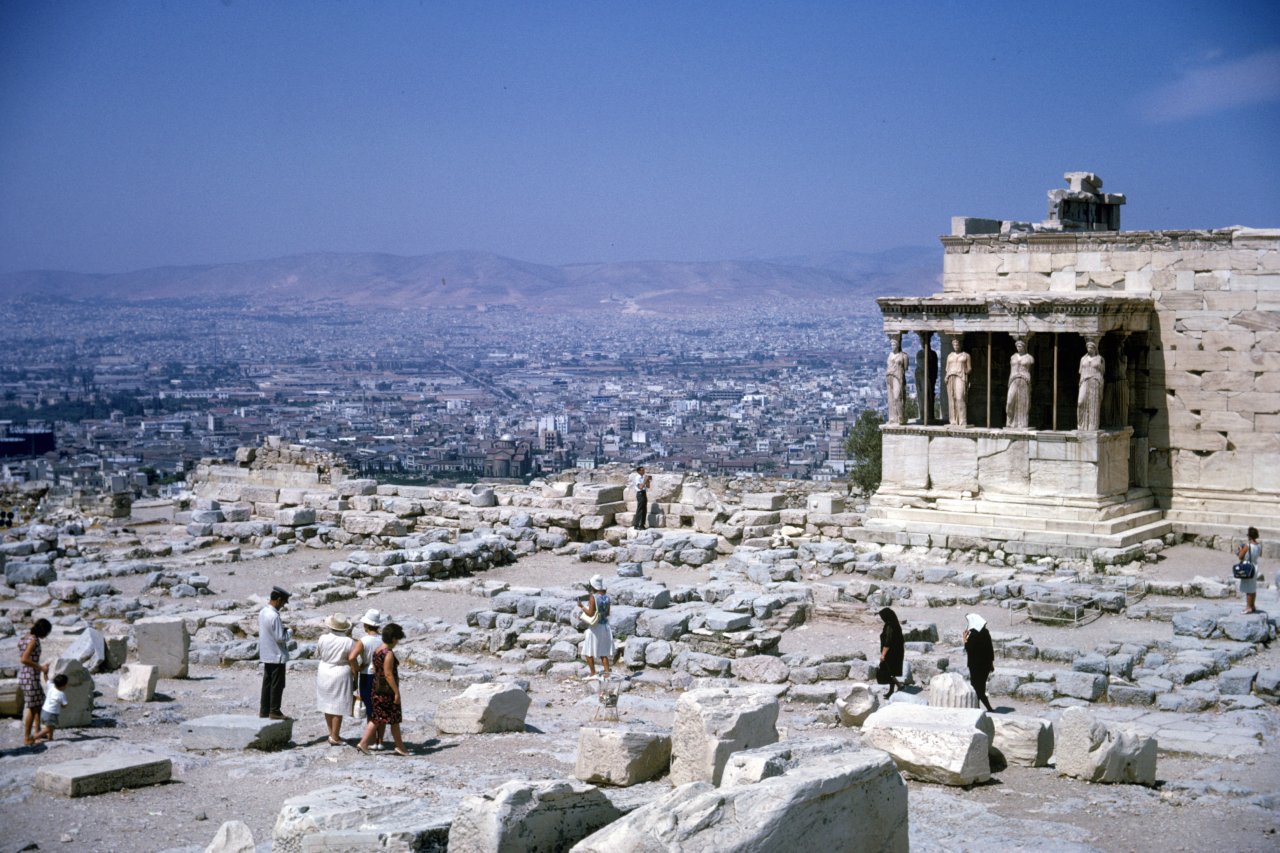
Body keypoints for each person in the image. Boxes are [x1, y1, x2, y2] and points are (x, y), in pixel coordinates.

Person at [357, 622, 408, 756]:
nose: (397, 642)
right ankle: (398, 747)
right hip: (387, 692)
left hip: (377, 688)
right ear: (393, 639)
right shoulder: (388, 653)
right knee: (392, 719)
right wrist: (396, 692)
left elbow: (375, 668)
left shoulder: (377, 650)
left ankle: (399, 746)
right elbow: (388, 674)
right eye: (397, 639)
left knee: (378, 718)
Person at [315, 613, 360, 746]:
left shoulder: (323, 638)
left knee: (327, 703)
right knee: (338, 705)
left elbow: (318, 653)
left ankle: (332, 734)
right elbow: (352, 659)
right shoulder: (348, 641)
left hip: (324, 670)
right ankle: (335, 736)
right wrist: (356, 673)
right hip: (340, 671)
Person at [258, 586, 292, 720]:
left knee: (267, 683)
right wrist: (290, 631)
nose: (283, 605)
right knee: (277, 685)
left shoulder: (263, 612)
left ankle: (264, 709)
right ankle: (275, 710)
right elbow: (281, 637)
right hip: (277, 655)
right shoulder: (274, 616)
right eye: (283, 602)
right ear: (278, 600)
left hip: (267, 653)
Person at [356, 609, 387, 750]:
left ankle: (371, 739)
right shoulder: (383, 640)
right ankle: (380, 740)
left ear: (366, 625)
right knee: (381, 707)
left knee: (370, 708)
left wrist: (357, 667)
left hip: (366, 674)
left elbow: (351, 657)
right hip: (381, 675)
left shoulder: (363, 641)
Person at [19, 618, 52, 746]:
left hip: (25, 674)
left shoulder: (24, 637)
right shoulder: (34, 640)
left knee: (38, 704)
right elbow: (24, 659)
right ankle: (27, 738)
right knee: (33, 708)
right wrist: (41, 668)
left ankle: (37, 733)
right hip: (30, 676)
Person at [578, 574, 613, 677]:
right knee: (603, 652)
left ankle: (593, 672)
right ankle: (607, 673)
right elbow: (608, 613)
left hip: (595, 627)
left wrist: (582, 607)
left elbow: (590, 613)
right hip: (605, 626)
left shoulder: (593, 597)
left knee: (588, 650)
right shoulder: (607, 597)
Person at [963, 613, 996, 712]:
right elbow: (990, 650)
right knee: (980, 687)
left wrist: (964, 639)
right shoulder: (986, 632)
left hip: (975, 666)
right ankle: (977, 708)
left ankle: (988, 708)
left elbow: (969, 649)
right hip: (986, 665)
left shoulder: (973, 635)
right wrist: (991, 664)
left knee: (977, 688)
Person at [1006, 337, 1034, 429]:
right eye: (1017, 346)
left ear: (1024, 346)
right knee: (1010, 401)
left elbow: (1031, 371)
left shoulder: (1029, 358)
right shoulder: (1013, 357)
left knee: (1023, 402)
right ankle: (1010, 422)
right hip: (1013, 380)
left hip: (1024, 380)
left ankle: (1022, 423)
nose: (1019, 347)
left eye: (1021, 346)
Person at [876, 607, 905, 697]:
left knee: (886, 672)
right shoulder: (895, 624)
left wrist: (883, 655)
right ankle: (893, 689)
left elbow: (888, 642)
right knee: (891, 672)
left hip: (891, 653)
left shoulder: (890, 627)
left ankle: (897, 686)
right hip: (896, 652)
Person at [1077, 338, 1104, 431]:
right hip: (1084, 381)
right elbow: (1081, 372)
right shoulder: (1083, 359)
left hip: (1094, 382)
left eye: (1091, 347)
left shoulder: (1100, 359)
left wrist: (1100, 384)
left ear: (1095, 348)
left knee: (1093, 404)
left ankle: (1092, 426)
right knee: (1080, 402)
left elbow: (1102, 373)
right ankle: (1081, 424)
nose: (1089, 348)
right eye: (1088, 347)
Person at [945, 336, 971, 426]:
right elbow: (947, 368)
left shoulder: (966, 355)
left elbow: (969, 369)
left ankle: (963, 420)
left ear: (960, 344)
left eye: (957, 344)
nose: (956, 345)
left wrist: (964, 371)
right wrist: (947, 376)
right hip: (950, 377)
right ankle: (953, 421)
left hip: (961, 377)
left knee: (960, 397)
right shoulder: (950, 356)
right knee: (952, 399)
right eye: (954, 344)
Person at [36, 673, 69, 742]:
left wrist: (45, 672)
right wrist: (62, 705)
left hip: (44, 710)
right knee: (49, 728)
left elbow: (46, 679)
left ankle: (50, 738)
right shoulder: (61, 694)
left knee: (50, 726)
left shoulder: (51, 686)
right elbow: (64, 705)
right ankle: (35, 737)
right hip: (51, 714)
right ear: (64, 685)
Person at [1237, 526, 1262, 615]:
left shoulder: (1248, 546)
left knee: (1248, 588)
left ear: (1249, 536)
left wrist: (1240, 550)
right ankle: (1252, 605)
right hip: (1255, 566)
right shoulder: (1259, 545)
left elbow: (1240, 556)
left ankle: (1248, 607)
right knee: (1253, 587)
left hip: (1248, 566)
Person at [886, 336, 909, 425]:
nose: (892, 346)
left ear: (898, 345)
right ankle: (893, 417)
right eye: (891, 345)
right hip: (889, 376)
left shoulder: (903, 355)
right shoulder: (890, 355)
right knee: (891, 398)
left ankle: (901, 417)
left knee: (897, 396)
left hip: (898, 377)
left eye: (894, 345)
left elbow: (906, 368)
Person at [628, 466, 652, 530]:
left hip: (644, 493)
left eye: (644, 470)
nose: (643, 471)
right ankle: (637, 525)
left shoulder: (643, 477)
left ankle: (642, 524)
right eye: (642, 470)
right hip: (640, 494)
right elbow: (640, 487)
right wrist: (645, 480)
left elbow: (648, 486)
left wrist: (648, 481)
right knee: (640, 509)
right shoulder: (637, 478)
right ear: (638, 471)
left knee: (644, 509)